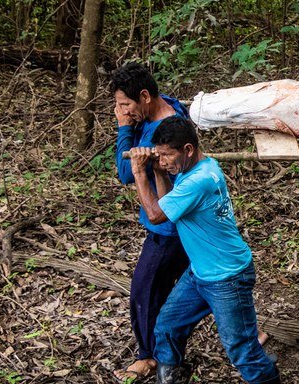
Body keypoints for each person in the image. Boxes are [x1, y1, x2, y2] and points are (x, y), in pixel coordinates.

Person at [128, 117, 279, 384]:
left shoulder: (199, 181)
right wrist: (161, 172)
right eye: (159, 155)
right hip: (200, 272)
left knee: (241, 349)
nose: (162, 161)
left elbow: (155, 214)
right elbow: (168, 206)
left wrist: (140, 172)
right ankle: (172, 377)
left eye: (167, 155)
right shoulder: (200, 166)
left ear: (187, 149)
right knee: (167, 326)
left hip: (226, 277)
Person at [111, 62, 190, 382]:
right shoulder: (168, 103)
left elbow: (125, 172)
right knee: (196, 284)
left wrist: (123, 129)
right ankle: (247, 334)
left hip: (167, 226)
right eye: (118, 106)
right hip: (180, 220)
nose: (121, 111)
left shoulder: (160, 131)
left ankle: (149, 357)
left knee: (144, 291)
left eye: (125, 104)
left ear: (145, 96)